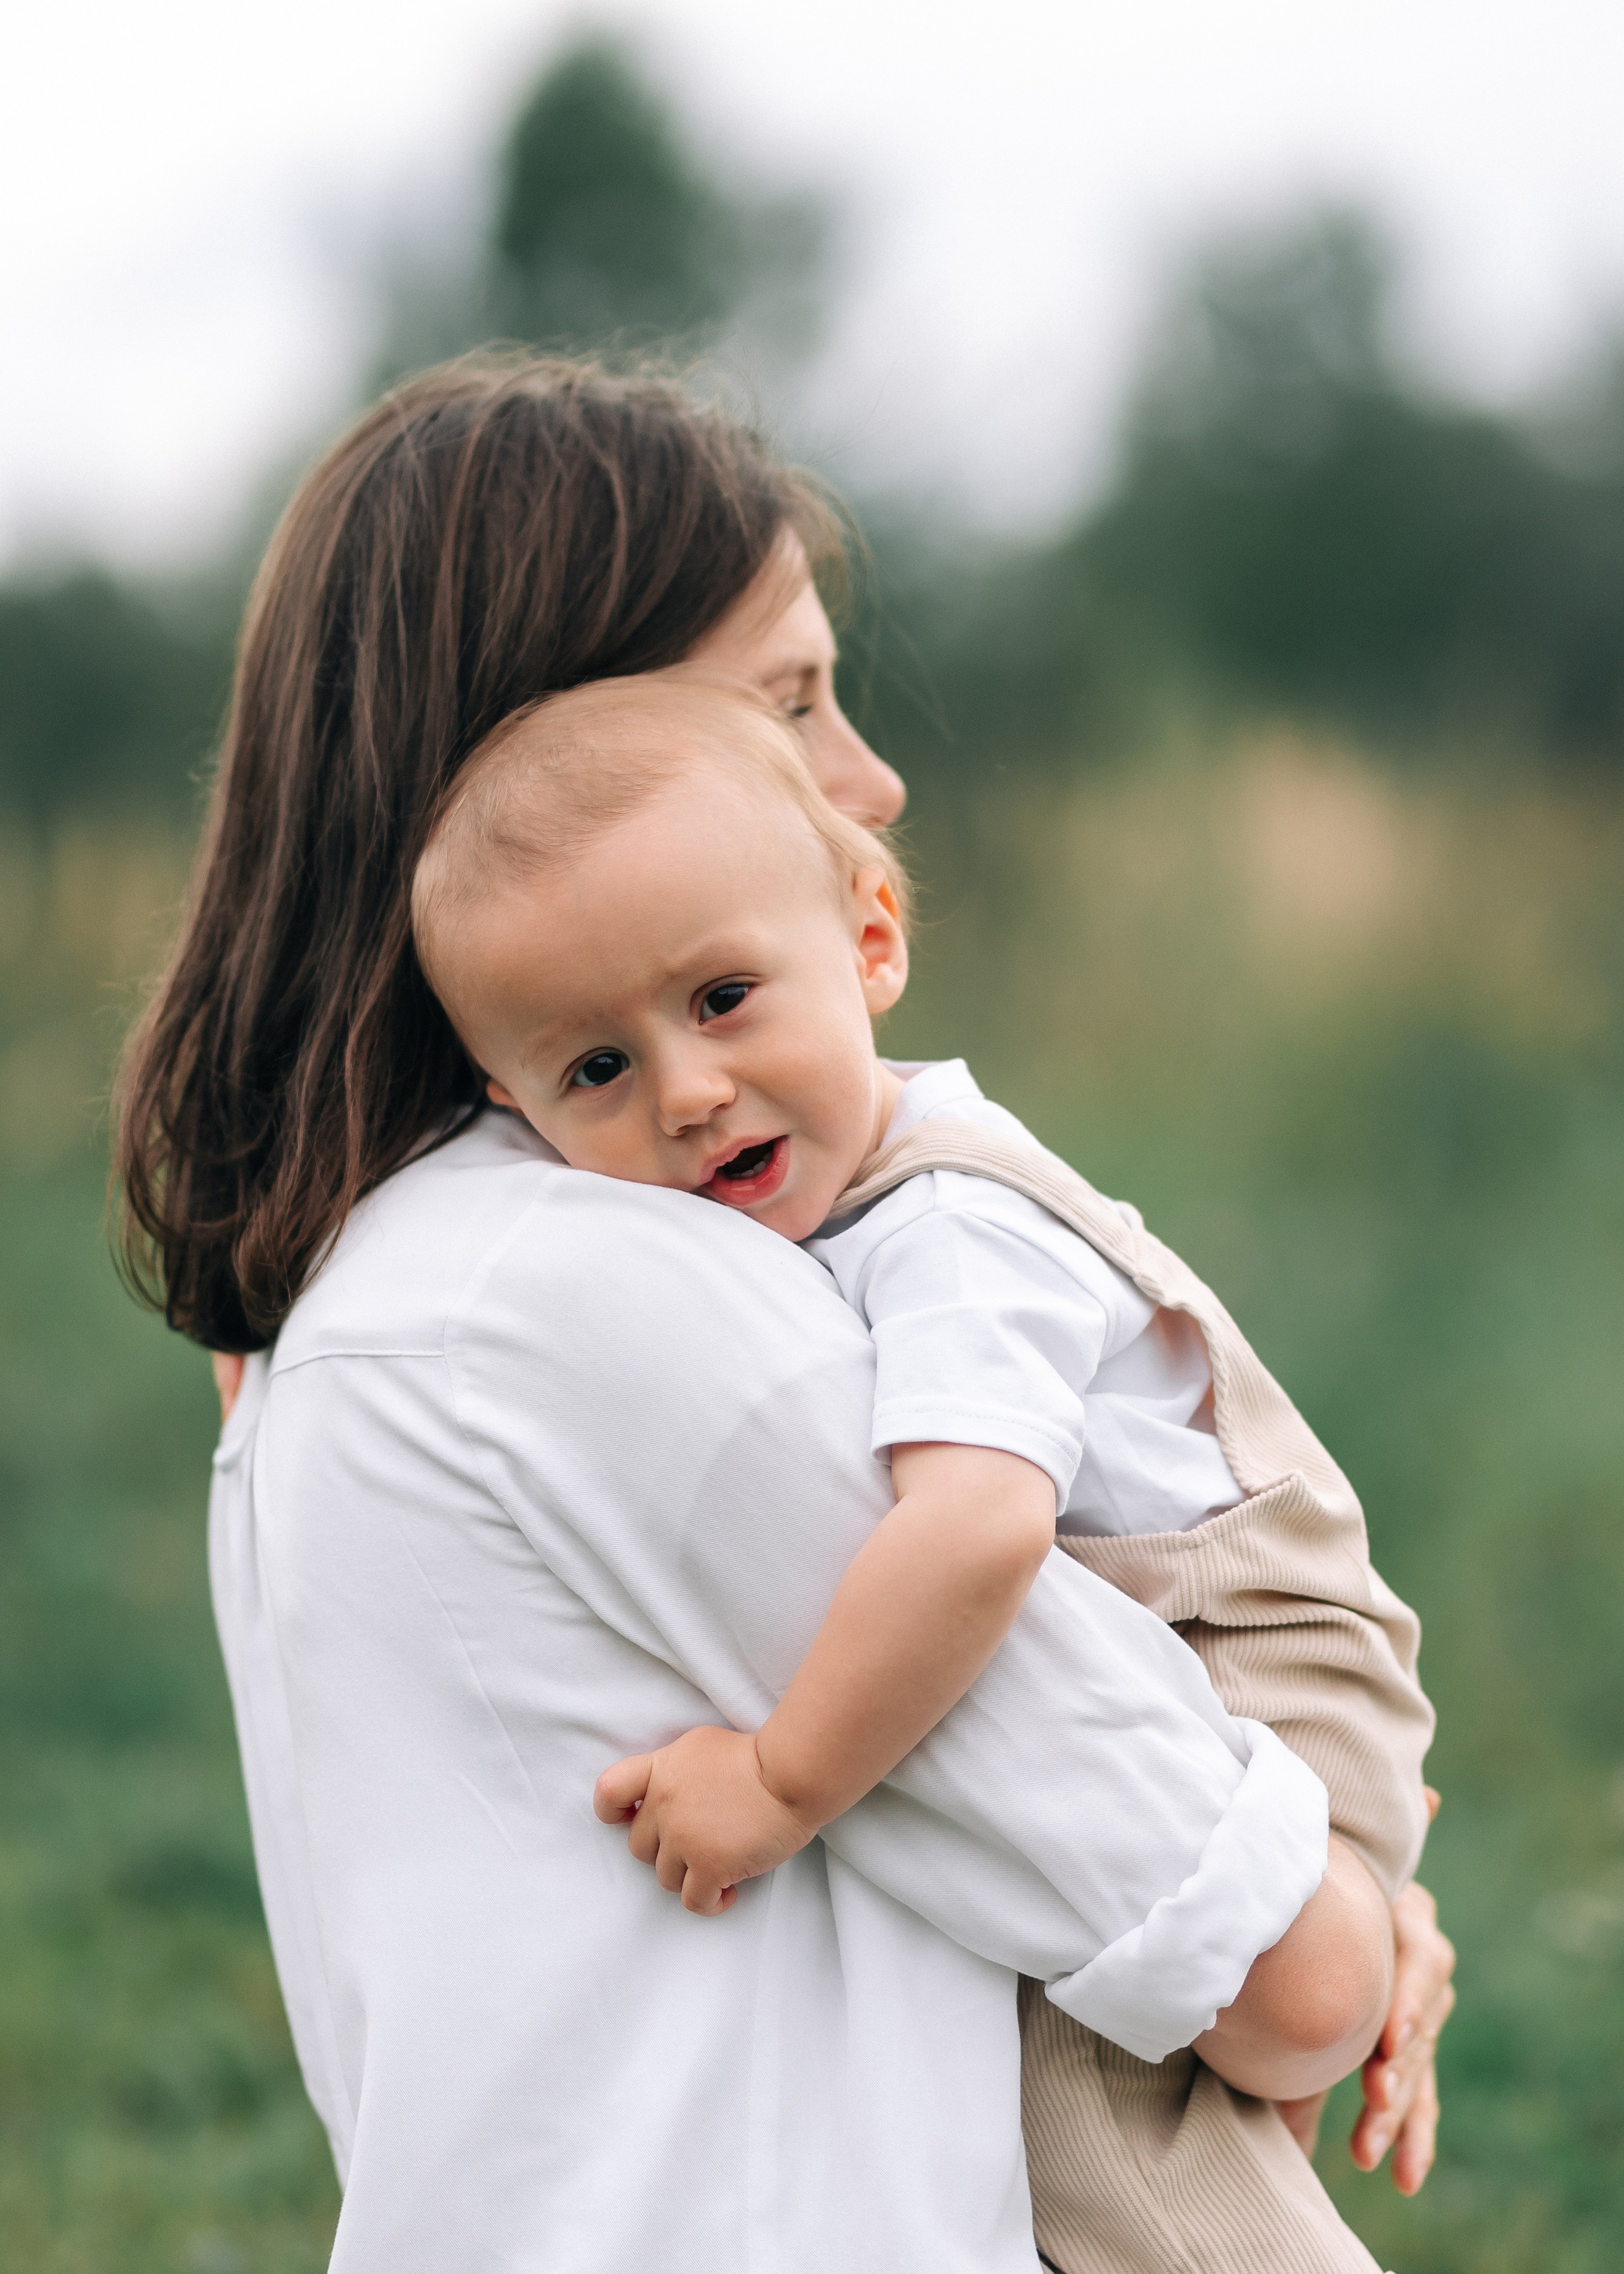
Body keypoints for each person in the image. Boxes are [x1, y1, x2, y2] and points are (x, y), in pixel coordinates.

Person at [118, 356, 1455, 2272]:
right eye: (788, 704)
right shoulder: (595, 1301)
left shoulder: (367, 1291)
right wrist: (1351, 1893)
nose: (873, 778)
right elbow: (1289, 1979)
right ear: (551, 751)